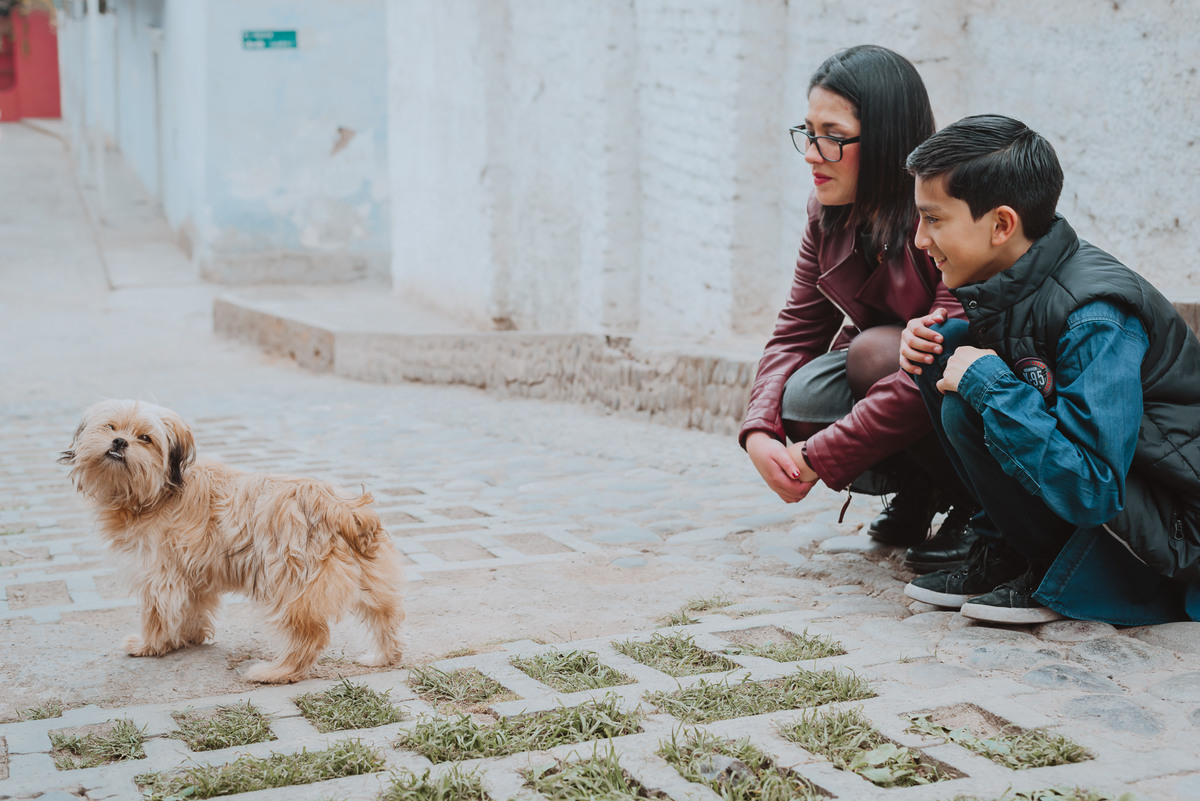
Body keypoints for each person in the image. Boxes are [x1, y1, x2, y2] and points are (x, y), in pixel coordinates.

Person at [900, 114, 1200, 625]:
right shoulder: (1015, 278)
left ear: (1001, 225)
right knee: (943, 348)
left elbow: (1095, 485)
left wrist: (989, 388)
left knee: (971, 391)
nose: (920, 240)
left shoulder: (1096, 316)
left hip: (1174, 528)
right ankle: (1004, 547)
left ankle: (1050, 569)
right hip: (1116, 492)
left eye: (933, 219)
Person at [740, 44, 975, 571]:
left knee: (873, 354)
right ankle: (920, 492)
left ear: (888, 137)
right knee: (801, 395)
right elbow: (796, 332)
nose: (811, 154)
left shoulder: (949, 210)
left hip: (976, 386)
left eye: (833, 137)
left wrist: (817, 457)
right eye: (808, 131)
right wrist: (759, 431)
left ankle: (978, 507)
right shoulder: (826, 212)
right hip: (909, 375)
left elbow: (940, 351)